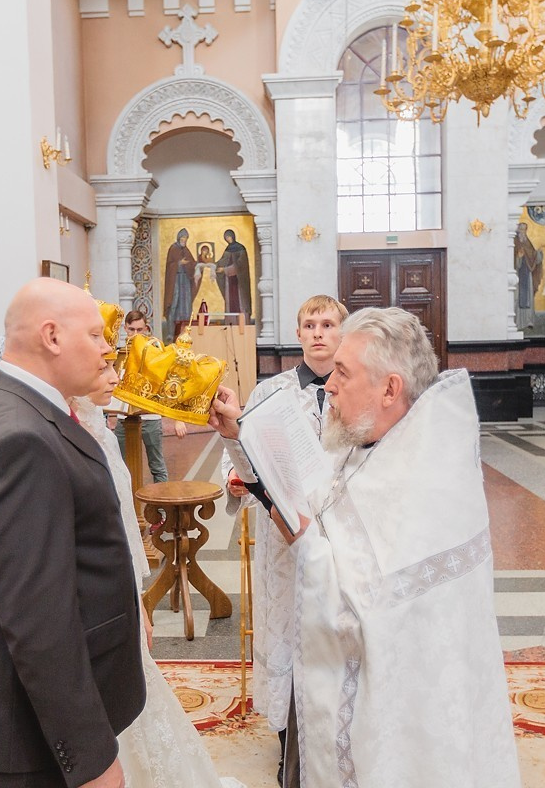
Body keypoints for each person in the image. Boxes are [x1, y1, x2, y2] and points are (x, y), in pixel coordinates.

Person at [209, 307, 521, 788]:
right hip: (324, 678)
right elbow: (295, 489)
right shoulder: (357, 440)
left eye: (343, 373)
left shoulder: (430, 478)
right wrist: (239, 436)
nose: (329, 385)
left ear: (390, 389)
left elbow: (376, 613)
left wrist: (306, 540)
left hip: (402, 724)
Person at [0, 278, 146, 788]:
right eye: (96, 336)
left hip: (17, 716)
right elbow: (39, 621)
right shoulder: (20, 439)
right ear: (52, 336)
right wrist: (91, 758)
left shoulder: (2, 404)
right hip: (27, 738)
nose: (108, 349)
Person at [71, 369, 243, 788]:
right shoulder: (61, 427)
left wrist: (135, 599)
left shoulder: (96, 424)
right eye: (103, 360)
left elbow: (119, 520)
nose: (115, 373)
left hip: (113, 594)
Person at [220, 295, 346, 786]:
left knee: (332, 636)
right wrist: (234, 476)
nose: (318, 333)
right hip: (283, 541)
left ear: (342, 331)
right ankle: (286, 746)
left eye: (328, 324)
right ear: (298, 334)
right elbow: (243, 451)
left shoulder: (351, 387)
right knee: (286, 637)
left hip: (335, 540)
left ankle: (333, 733)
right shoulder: (271, 392)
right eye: (309, 324)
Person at [111, 311, 186, 483]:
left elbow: (170, 384)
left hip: (150, 418)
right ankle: (127, 507)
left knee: (157, 466)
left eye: (140, 330)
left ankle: (160, 508)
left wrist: (178, 419)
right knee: (120, 466)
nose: (136, 334)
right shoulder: (118, 354)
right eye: (132, 330)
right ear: (125, 329)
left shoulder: (155, 353)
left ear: (146, 329)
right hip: (124, 418)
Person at [162, 228, 195, 339]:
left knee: (186, 305)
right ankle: (171, 332)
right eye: (182, 238)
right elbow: (170, 265)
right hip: (175, 281)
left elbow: (192, 263)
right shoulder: (173, 249)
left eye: (185, 239)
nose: (184, 241)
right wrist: (179, 263)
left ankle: (186, 332)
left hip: (185, 281)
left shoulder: (186, 250)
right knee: (173, 304)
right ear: (178, 238)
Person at [215, 229, 252, 320]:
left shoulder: (241, 248)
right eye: (226, 238)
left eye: (229, 237)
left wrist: (225, 269)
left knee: (240, 301)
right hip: (229, 280)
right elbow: (223, 261)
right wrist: (213, 265)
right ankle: (231, 320)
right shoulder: (228, 249)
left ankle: (243, 320)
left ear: (233, 236)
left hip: (239, 280)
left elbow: (241, 265)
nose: (228, 239)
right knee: (231, 301)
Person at [513, 222, 542, 329]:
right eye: (521, 229)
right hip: (517, 275)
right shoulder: (514, 243)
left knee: (528, 297)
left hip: (527, 274)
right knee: (517, 297)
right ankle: (518, 322)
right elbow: (511, 261)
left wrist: (538, 253)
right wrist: (519, 258)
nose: (523, 231)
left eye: (525, 229)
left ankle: (529, 321)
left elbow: (534, 257)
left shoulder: (527, 243)